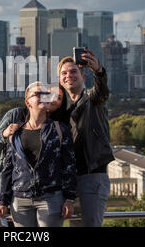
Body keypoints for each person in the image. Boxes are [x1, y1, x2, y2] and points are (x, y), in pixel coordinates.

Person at [0, 82, 77, 227]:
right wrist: (3, 202)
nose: (44, 97)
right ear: (28, 102)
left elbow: (69, 166)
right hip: (20, 201)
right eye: (38, 94)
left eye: (46, 94)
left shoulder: (59, 130)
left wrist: (69, 199)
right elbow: (8, 169)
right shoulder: (15, 133)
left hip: (51, 198)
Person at [58, 50, 115, 227]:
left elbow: (102, 92)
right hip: (71, 180)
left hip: (93, 177)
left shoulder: (92, 100)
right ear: (60, 80)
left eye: (73, 71)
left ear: (83, 77)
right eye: (64, 73)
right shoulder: (64, 112)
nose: (69, 75)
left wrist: (99, 71)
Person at [0, 84, 68, 206]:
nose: (51, 99)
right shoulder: (17, 114)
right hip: (8, 191)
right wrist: (5, 133)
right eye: (48, 94)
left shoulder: (59, 127)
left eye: (58, 98)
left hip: (45, 195)